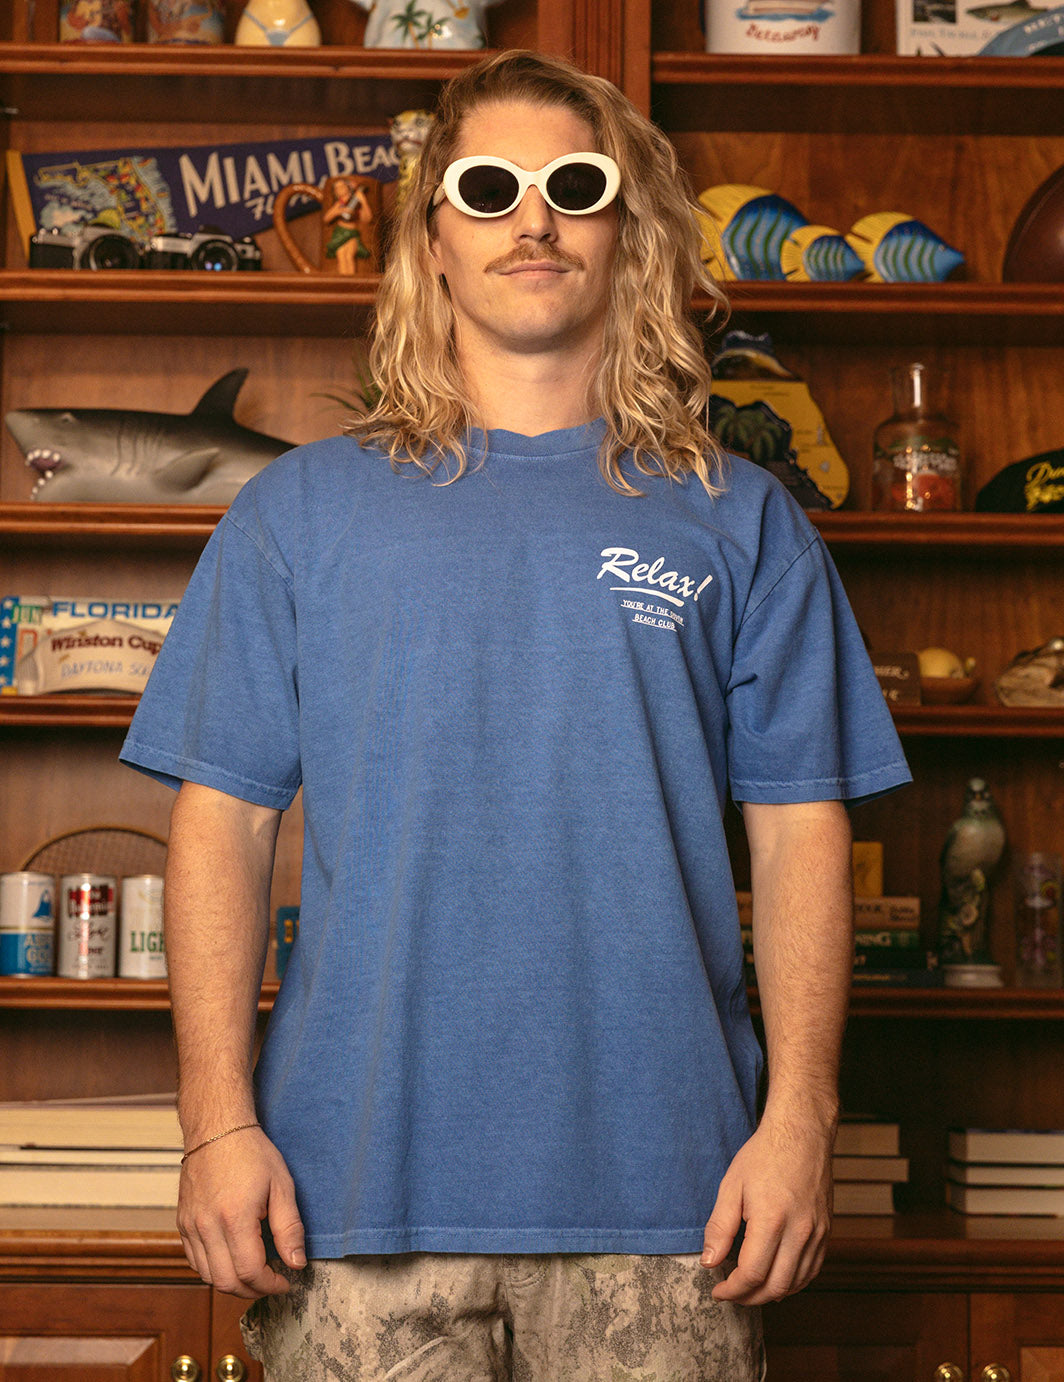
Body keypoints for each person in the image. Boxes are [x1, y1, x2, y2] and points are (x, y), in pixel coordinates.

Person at [120, 48, 911, 1381]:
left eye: (574, 186)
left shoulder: (742, 521)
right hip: (349, 1193)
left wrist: (800, 1125)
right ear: (432, 240)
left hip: (675, 1200)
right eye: (489, 188)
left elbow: (799, 838)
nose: (533, 220)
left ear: (628, 230)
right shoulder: (297, 515)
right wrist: (215, 1123)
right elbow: (222, 828)